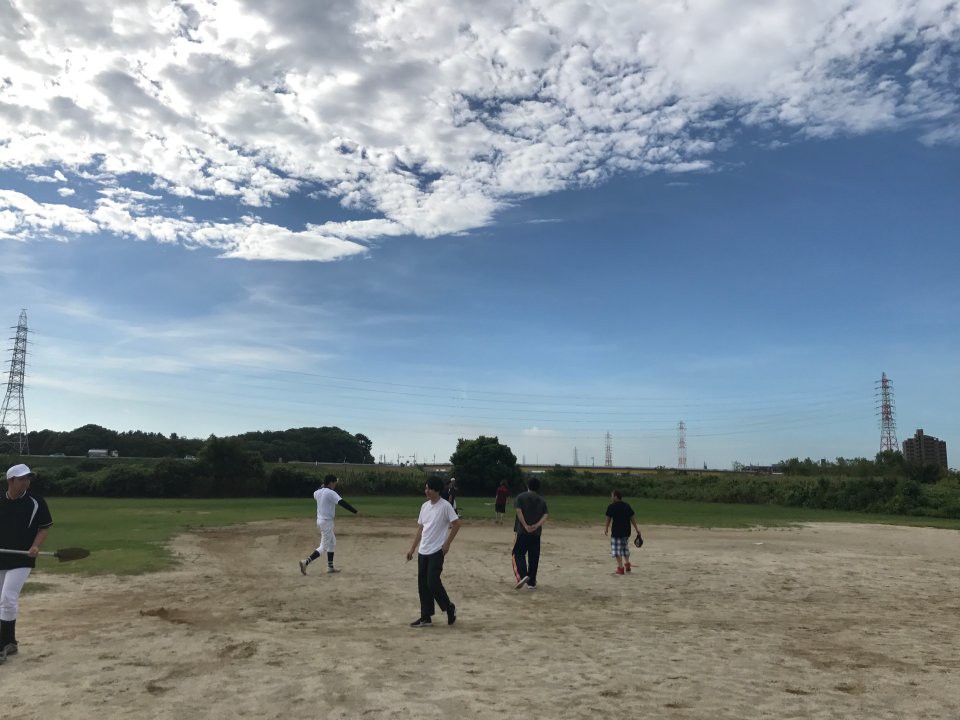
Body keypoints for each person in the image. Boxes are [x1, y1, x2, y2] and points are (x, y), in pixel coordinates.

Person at [1, 464, 53, 662]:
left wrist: (35, 546)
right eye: (22, 478)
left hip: (23, 558)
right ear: (11, 480)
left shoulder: (36, 502)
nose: (26, 482)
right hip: (1, 557)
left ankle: (3, 644)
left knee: (7, 598)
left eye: (28, 478)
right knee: (1, 600)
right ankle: (10, 642)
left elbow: (44, 528)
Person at [406, 476, 461, 628]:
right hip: (423, 550)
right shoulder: (425, 506)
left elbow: (456, 524)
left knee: (432, 582)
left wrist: (447, 544)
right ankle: (426, 617)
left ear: (437, 490)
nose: (426, 491)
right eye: (425, 488)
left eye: (429, 488)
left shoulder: (445, 506)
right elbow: (420, 528)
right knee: (423, 584)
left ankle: (449, 607)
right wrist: (412, 549)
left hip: (437, 551)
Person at [299, 474, 361, 575]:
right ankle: (305, 562)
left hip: (320, 521)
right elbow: (342, 502)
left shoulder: (317, 492)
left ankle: (330, 567)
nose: (336, 484)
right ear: (331, 482)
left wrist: (323, 485)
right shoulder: (331, 493)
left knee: (332, 542)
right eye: (335, 482)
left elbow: (316, 491)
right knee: (323, 546)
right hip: (326, 522)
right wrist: (355, 512)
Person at [512, 477, 548, 590]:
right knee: (534, 556)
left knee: (518, 553)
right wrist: (536, 525)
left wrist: (525, 525)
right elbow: (545, 515)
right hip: (536, 533)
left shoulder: (520, 497)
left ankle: (523, 576)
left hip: (523, 532)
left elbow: (519, 511)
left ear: (528, 485)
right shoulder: (542, 500)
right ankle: (532, 582)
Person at [604, 490, 642, 575]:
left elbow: (608, 519)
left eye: (612, 496)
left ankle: (621, 568)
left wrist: (606, 528)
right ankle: (627, 564)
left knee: (617, 550)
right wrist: (636, 528)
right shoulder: (626, 506)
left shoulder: (611, 507)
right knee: (624, 548)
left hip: (617, 532)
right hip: (626, 531)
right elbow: (632, 517)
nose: (611, 497)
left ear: (616, 497)